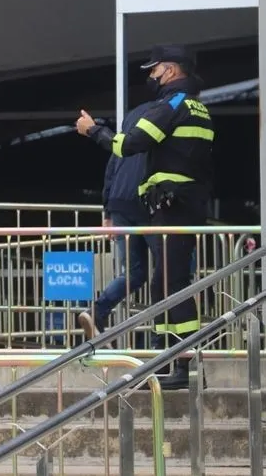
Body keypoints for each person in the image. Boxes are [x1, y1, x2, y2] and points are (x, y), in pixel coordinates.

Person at [76, 44, 214, 390]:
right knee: (165, 284)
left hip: (172, 208)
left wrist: (93, 130)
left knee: (172, 286)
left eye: (154, 71)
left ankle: (183, 367)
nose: (151, 77)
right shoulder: (199, 108)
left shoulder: (171, 106)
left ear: (169, 71)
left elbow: (128, 145)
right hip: (182, 205)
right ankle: (171, 361)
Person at [77, 110, 150, 343]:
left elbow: (110, 176)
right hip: (145, 206)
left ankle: (98, 311)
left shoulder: (122, 142)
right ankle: (165, 334)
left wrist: (108, 213)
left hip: (119, 207)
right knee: (170, 269)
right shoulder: (154, 140)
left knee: (134, 272)